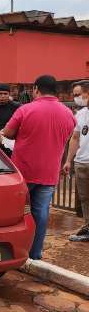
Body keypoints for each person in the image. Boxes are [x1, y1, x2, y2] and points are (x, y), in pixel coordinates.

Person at [0, 75, 75, 260]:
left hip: (24, 172)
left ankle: (9, 252)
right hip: (49, 173)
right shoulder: (68, 113)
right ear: (56, 91)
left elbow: (9, 133)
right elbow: (67, 136)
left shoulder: (25, 109)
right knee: (41, 213)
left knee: (13, 213)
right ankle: (35, 254)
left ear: (36, 89)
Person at [63, 80, 89, 242]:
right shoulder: (81, 114)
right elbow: (75, 137)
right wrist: (68, 160)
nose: (78, 99)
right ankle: (88, 226)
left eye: (80, 95)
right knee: (85, 198)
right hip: (82, 162)